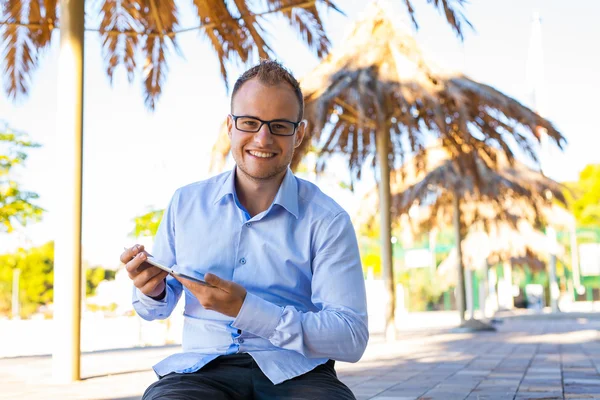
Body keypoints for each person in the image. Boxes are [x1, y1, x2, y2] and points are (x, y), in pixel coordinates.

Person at [120, 60, 368, 400]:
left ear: (299, 133)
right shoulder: (185, 203)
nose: (262, 138)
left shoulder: (328, 219)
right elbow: (154, 310)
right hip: (200, 372)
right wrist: (151, 291)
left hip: (299, 372)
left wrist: (248, 310)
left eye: (279, 126)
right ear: (230, 126)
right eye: (250, 122)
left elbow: (351, 337)